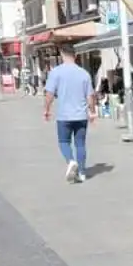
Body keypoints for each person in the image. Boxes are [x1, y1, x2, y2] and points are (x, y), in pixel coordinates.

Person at [43, 44, 95, 183]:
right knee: (80, 144)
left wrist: (47, 109)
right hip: (81, 116)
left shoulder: (56, 72)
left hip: (64, 116)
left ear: (62, 55)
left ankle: (71, 161)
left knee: (63, 142)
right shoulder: (84, 73)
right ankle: (82, 173)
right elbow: (90, 96)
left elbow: (49, 94)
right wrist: (92, 112)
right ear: (75, 55)